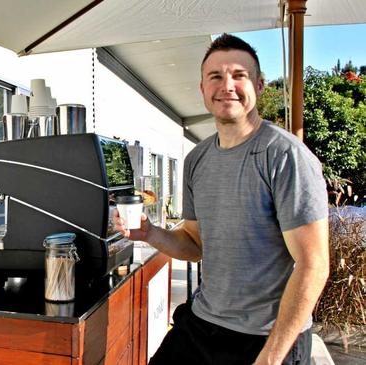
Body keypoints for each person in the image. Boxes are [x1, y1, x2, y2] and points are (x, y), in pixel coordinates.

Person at [115, 34, 329, 365]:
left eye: (238, 75)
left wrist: (270, 358)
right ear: (202, 89)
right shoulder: (197, 160)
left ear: (259, 86)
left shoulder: (285, 155)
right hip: (203, 324)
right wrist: (149, 233)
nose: (226, 85)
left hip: (267, 338)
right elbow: (195, 245)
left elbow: (313, 264)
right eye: (215, 76)